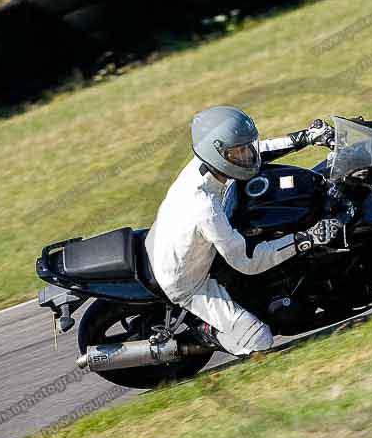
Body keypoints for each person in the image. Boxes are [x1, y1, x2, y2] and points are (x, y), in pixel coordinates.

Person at [145, 106, 339, 356]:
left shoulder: (205, 164)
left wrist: (306, 137)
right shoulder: (204, 208)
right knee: (259, 340)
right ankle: (204, 330)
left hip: (174, 241)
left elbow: (258, 152)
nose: (248, 155)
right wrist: (307, 239)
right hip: (186, 282)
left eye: (246, 146)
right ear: (219, 154)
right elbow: (247, 262)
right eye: (239, 151)